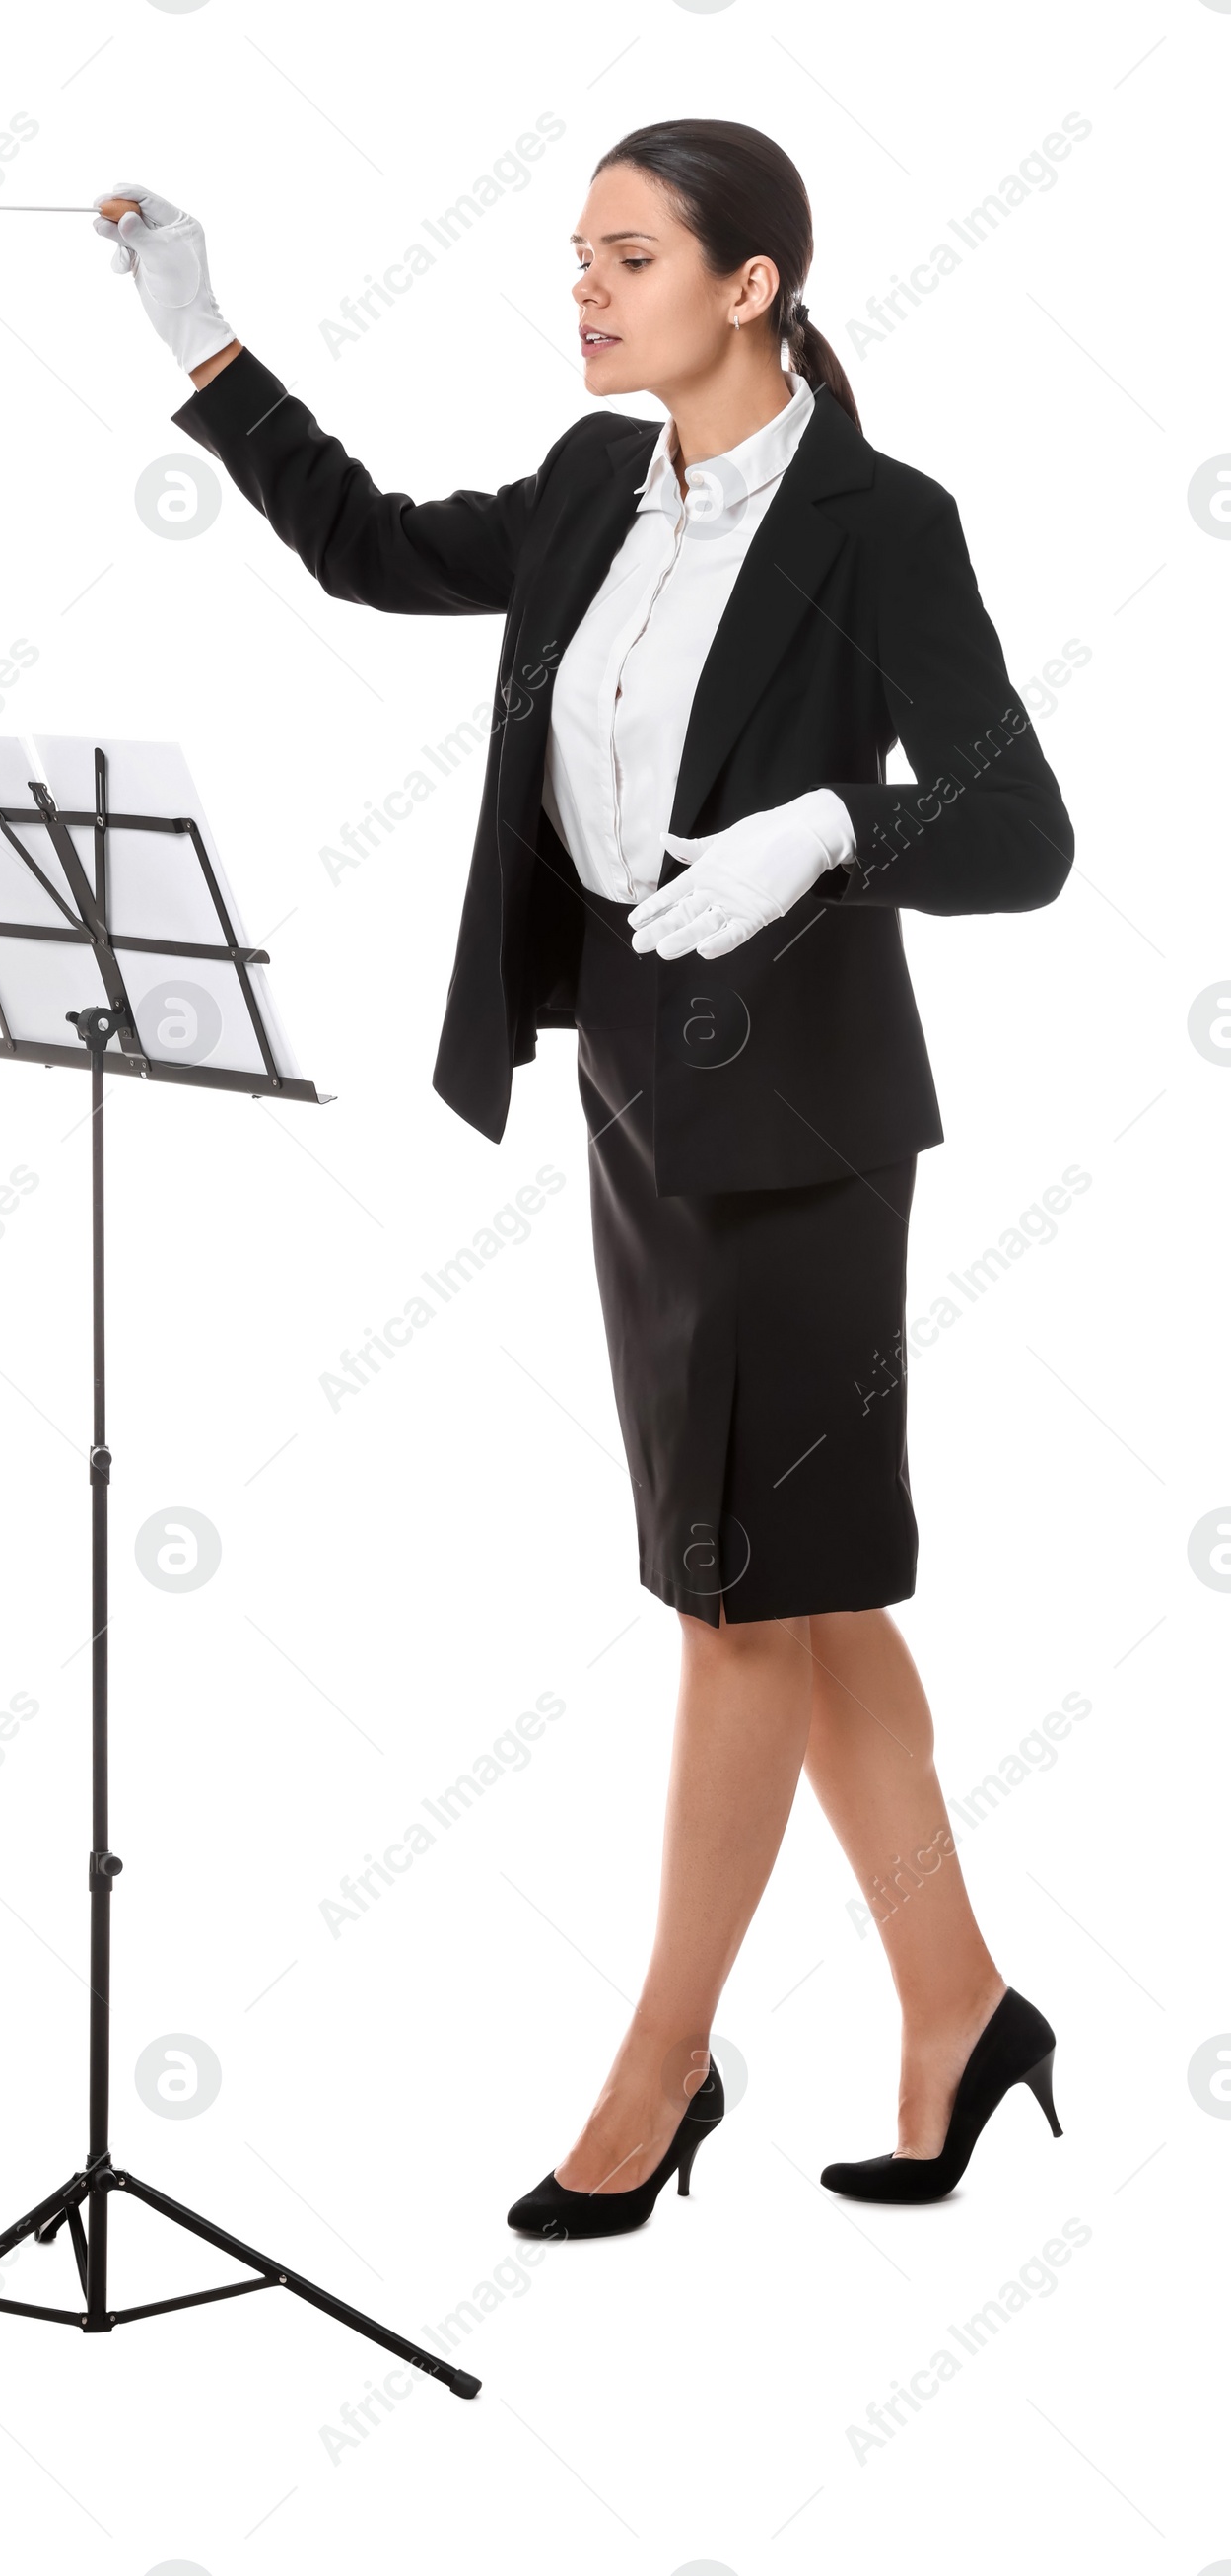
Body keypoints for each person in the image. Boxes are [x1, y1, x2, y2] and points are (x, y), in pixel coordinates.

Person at [94, 120, 1071, 2239]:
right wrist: (201, 345)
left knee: (727, 1597)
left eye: (628, 255)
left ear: (749, 284)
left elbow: (1022, 833)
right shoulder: (578, 489)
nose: (585, 286)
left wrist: (826, 828)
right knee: (804, 1589)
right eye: (575, 255)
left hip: (802, 1119)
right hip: (636, 1080)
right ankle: (958, 2002)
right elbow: (365, 545)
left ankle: (658, 2065)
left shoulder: (876, 523)